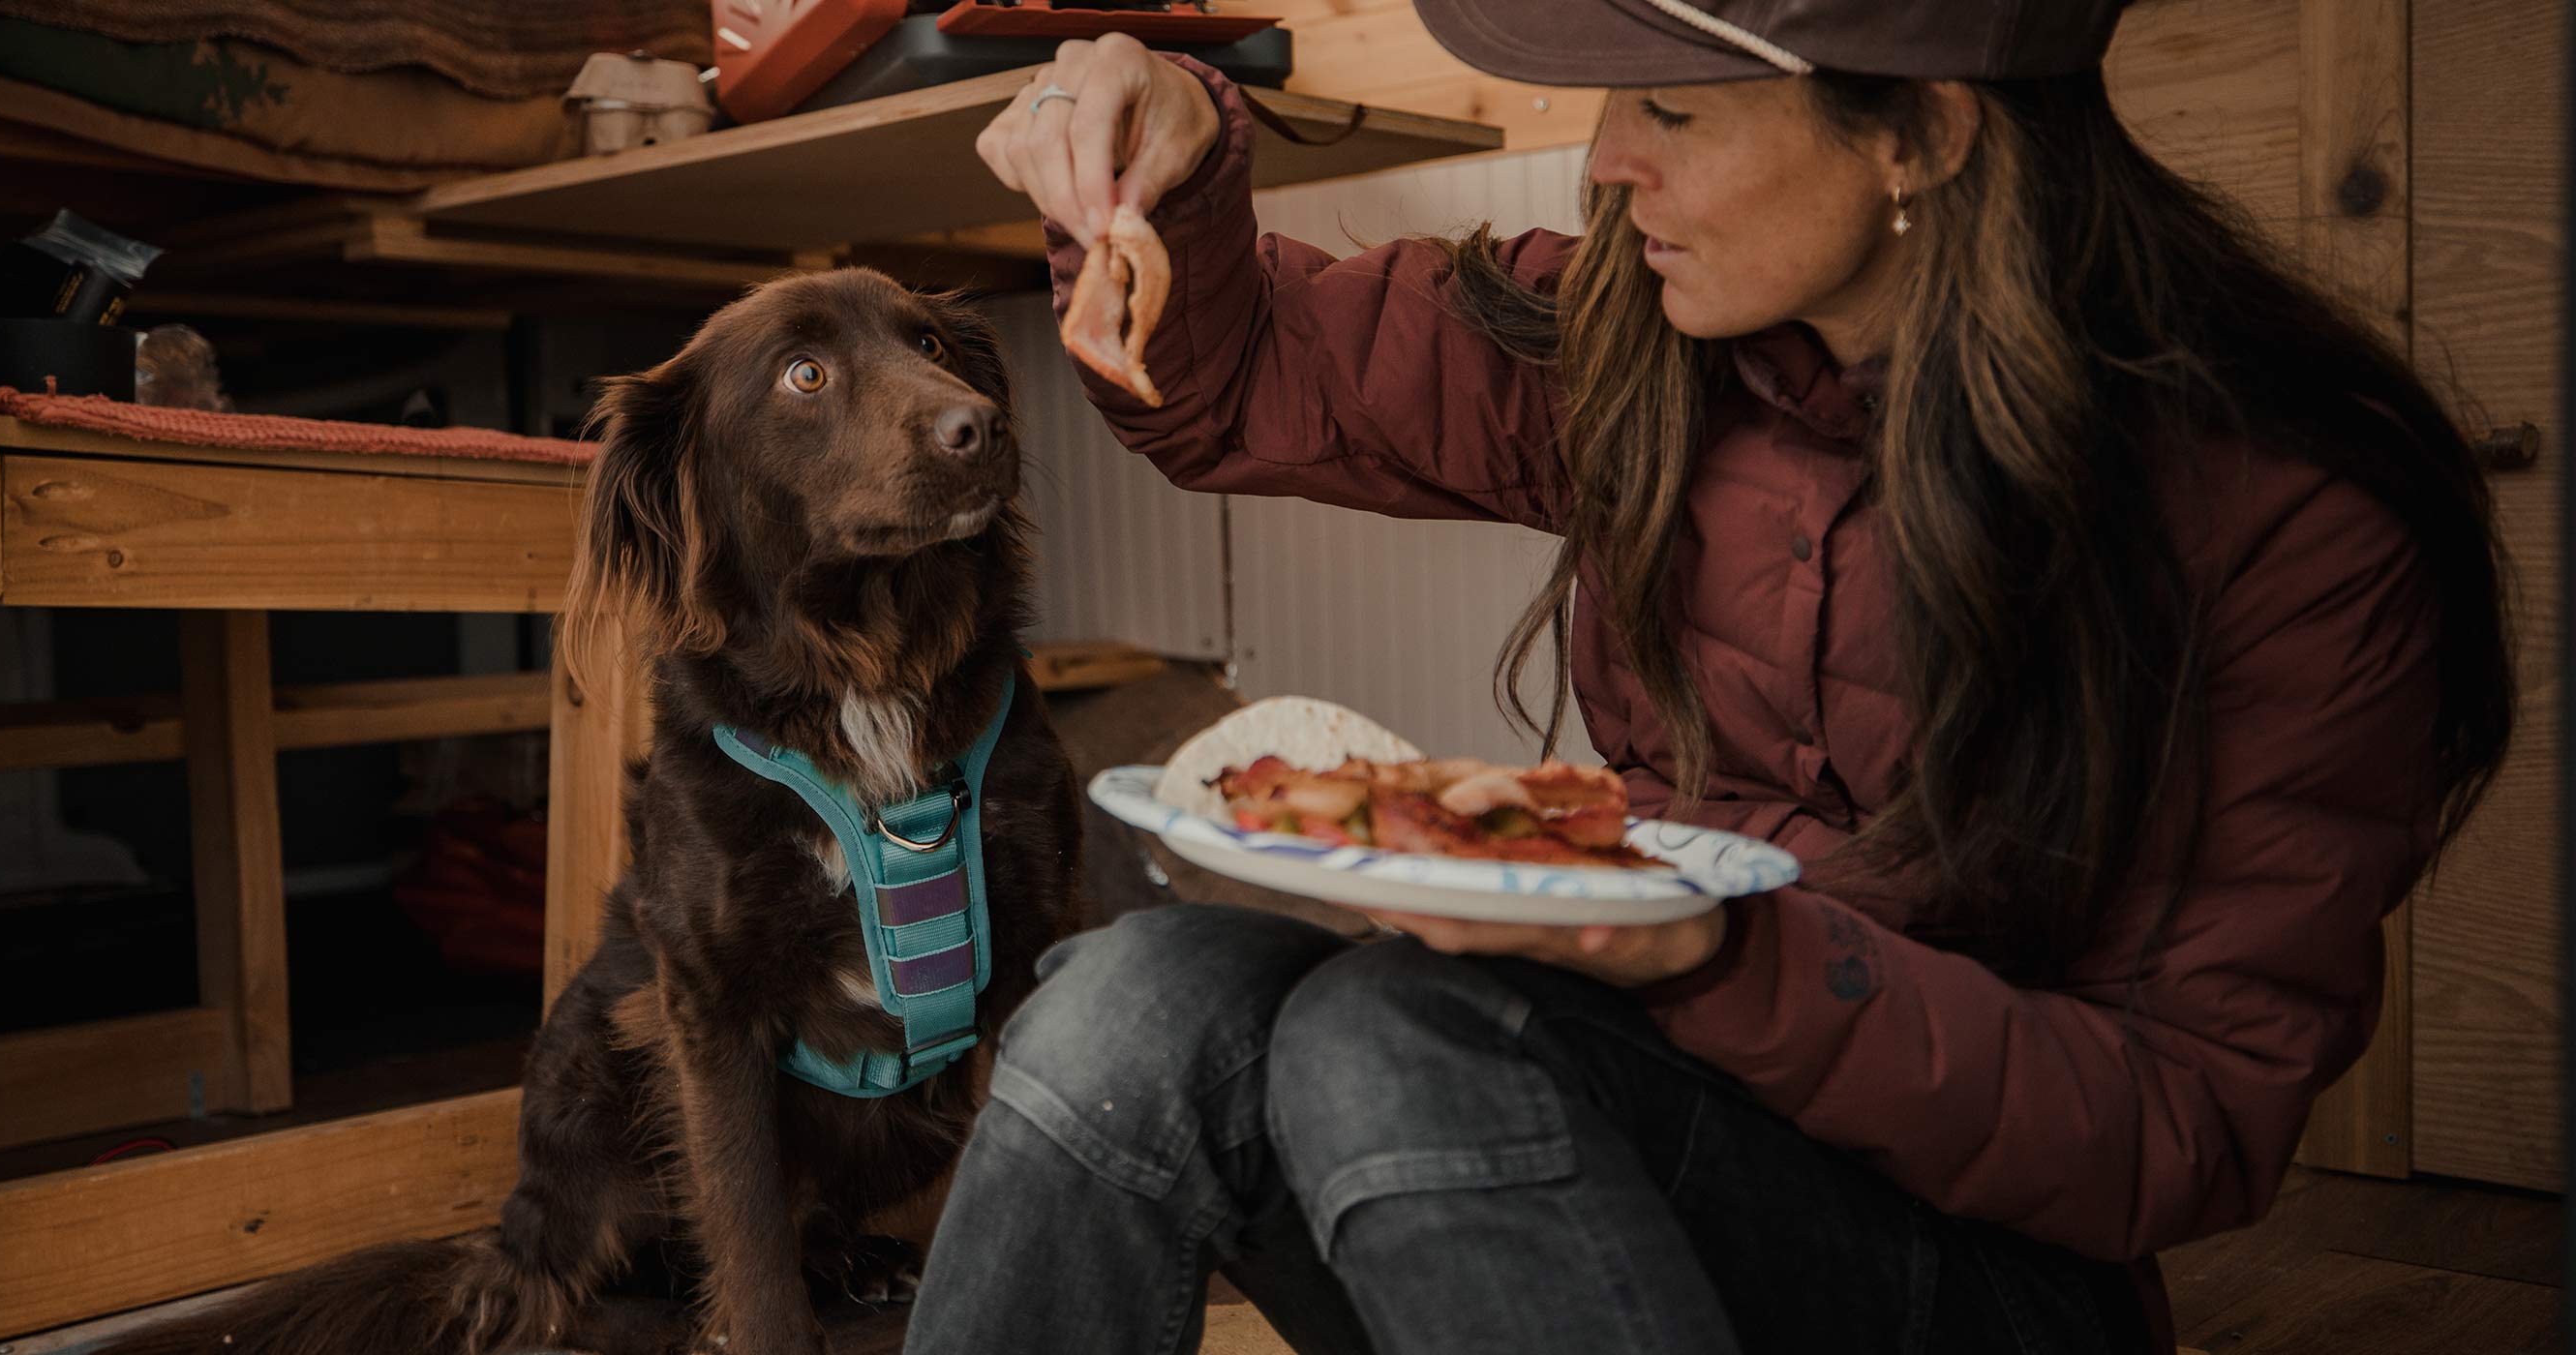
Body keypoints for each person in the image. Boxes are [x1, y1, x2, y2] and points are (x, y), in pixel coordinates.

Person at [909, 1, 2515, 1350]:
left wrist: (1708, 950)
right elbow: (1238, 369)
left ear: (1925, 134)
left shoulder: (2284, 512)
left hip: (1993, 1273)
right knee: (1130, 1001)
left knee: (1382, 1034)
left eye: (1675, 105)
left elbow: (2186, 1124)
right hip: (1600, 1131)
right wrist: (1163, 146)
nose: (1613, 156)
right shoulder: (1639, 336)